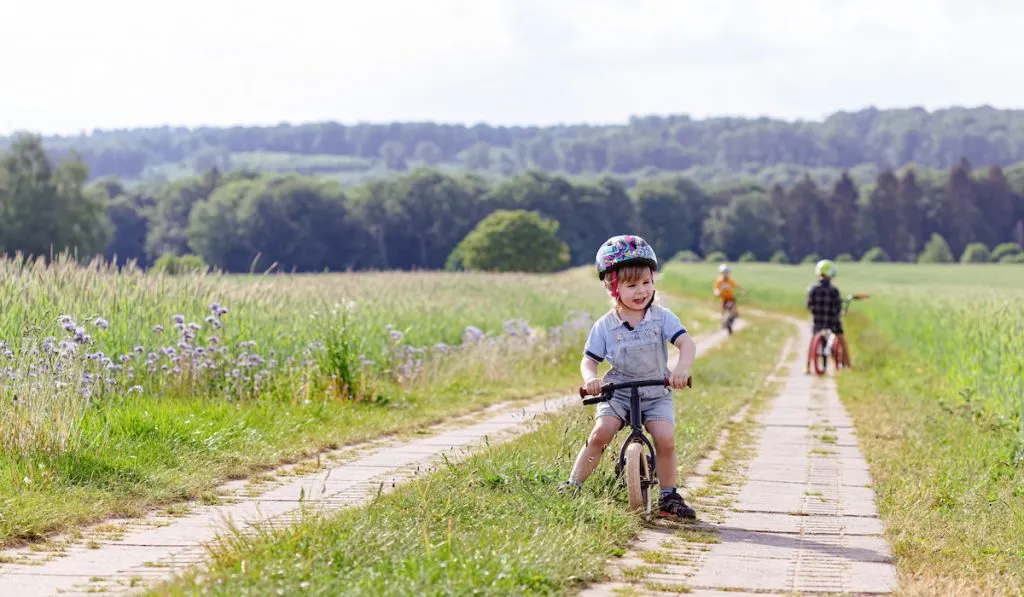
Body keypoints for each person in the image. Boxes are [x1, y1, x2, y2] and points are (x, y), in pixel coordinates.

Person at [560, 234, 698, 520]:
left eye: (646, 282)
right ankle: (573, 484)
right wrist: (591, 379)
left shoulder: (662, 317)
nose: (641, 291)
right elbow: (589, 360)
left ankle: (668, 495)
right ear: (613, 287)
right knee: (601, 432)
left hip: (656, 390)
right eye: (631, 285)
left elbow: (686, 343)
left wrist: (681, 369)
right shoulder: (606, 326)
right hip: (618, 391)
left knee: (665, 438)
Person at [805, 259, 851, 373]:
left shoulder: (813, 289)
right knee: (842, 340)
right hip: (832, 322)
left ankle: (807, 365)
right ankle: (848, 365)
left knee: (812, 339)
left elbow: (809, 305)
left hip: (818, 321)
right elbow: (838, 307)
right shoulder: (834, 290)